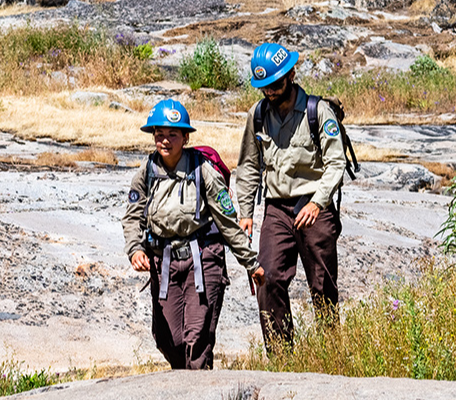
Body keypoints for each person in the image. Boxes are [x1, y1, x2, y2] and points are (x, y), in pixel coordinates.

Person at [122, 99, 264, 370]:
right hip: (164, 263)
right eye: (159, 134)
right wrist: (135, 249)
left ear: (186, 137)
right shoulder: (146, 171)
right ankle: (184, 385)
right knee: (168, 340)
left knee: (197, 339)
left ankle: (199, 392)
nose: (165, 141)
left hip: (203, 259)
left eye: (173, 134)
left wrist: (251, 262)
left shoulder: (203, 170)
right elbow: (132, 216)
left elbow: (227, 222)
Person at [235, 42, 347, 352]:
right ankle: (281, 357)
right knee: (267, 277)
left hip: (314, 206)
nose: (270, 92)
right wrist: (246, 212)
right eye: (264, 87)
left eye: (275, 84)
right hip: (276, 209)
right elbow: (248, 166)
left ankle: (331, 353)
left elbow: (336, 163)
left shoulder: (317, 111)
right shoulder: (257, 115)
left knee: (322, 285)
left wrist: (317, 202)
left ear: (291, 75)